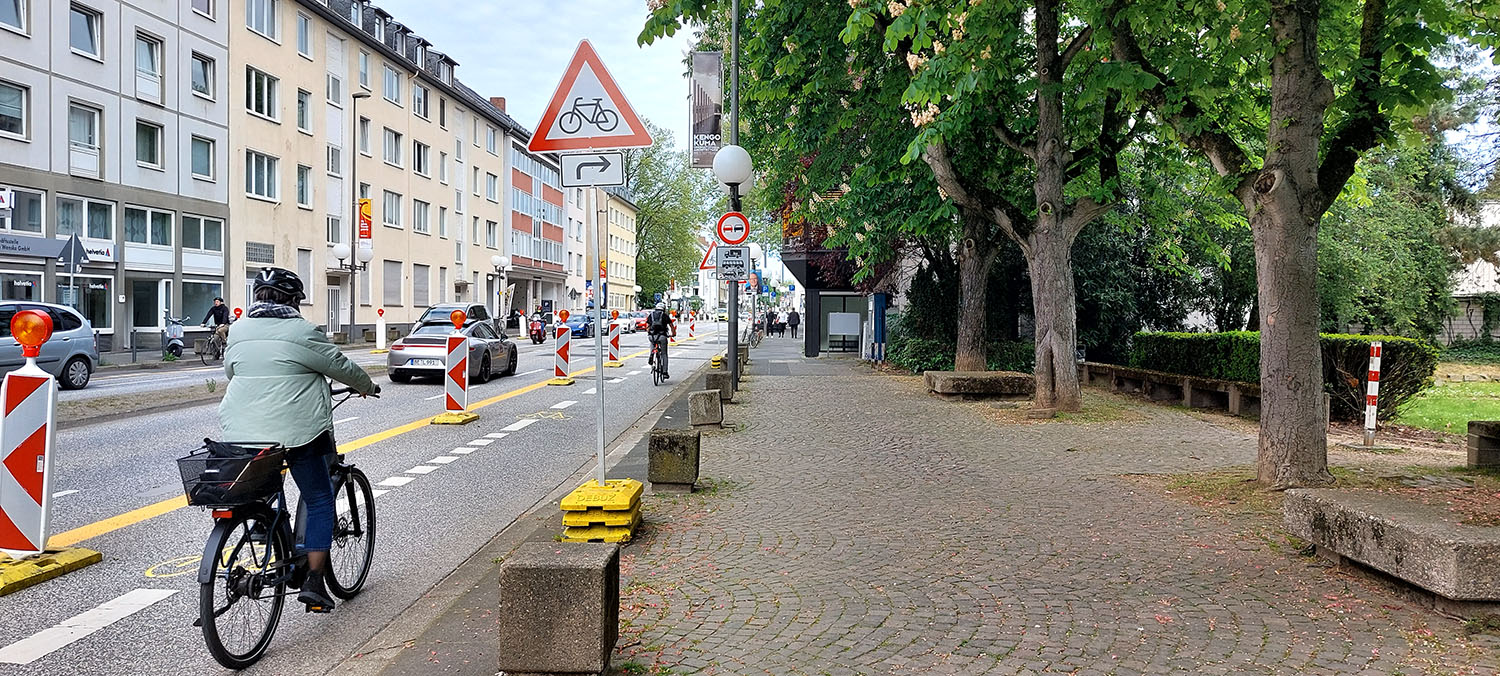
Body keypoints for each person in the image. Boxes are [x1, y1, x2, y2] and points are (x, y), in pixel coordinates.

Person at [219, 268, 377, 613]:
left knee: (265, 484)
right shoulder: (302, 331)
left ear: (257, 297)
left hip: (241, 431)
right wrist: (367, 386)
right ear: (294, 301)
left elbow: (232, 371)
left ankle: (265, 523)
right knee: (319, 499)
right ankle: (315, 583)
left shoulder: (239, 329)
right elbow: (340, 367)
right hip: (298, 433)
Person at [646, 301, 677, 379]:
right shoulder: (665, 315)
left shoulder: (651, 315)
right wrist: (673, 334)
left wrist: (650, 332)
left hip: (652, 337)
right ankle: (665, 372)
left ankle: (651, 355)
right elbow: (671, 325)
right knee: (664, 354)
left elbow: (647, 326)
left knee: (652, 345)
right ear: (663, 309)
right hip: (662, 336)